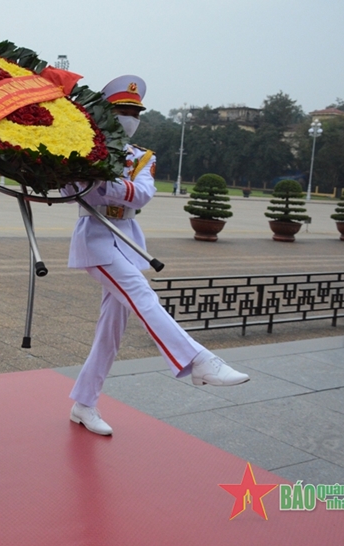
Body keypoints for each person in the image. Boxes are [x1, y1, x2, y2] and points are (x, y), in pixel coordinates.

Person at [65, 75, 250, 437]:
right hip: (96, 238)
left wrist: (103, 182)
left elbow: (141, 195)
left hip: (128, 239)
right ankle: (198, 360)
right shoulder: (83, 147)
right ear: (105, 112)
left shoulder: (142, 157)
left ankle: (84, 403)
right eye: (122, 110)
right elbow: (72, 190)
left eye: (134, 111)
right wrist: (97, 179)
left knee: (111, 332)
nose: (129, 117)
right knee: (142, 295)